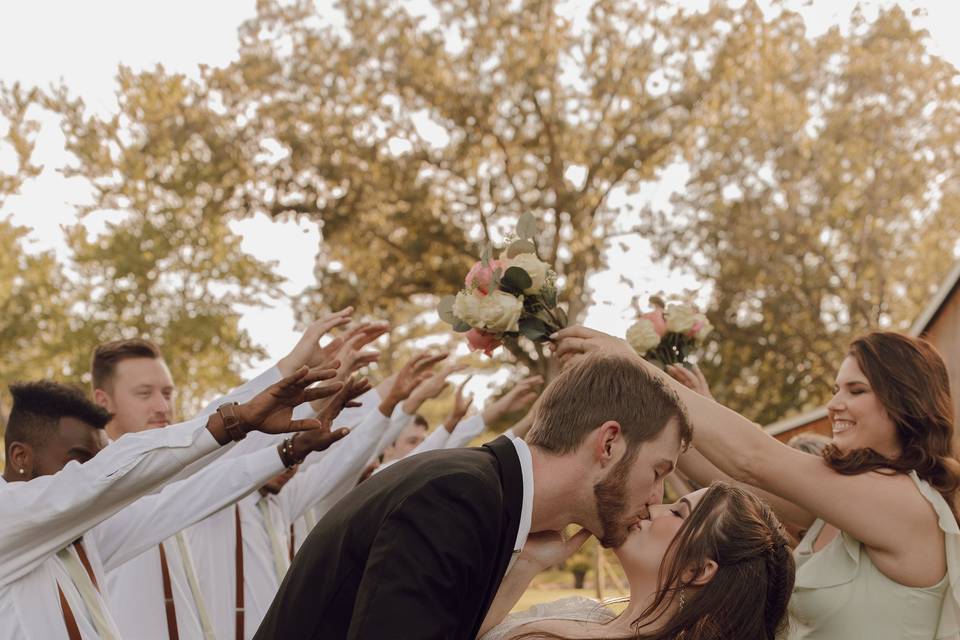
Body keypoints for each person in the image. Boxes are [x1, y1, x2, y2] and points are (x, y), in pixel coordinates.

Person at [554, 326, 960, 640]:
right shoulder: (833, 512)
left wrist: (633, 365)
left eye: (856, 390)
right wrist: (643, 399)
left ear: (905, 400)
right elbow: (717, 475)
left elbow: (753, 460)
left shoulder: (905, 504)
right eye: (836, 389)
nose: (835, 404)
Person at [255, 351, 693, 639]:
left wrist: (523, 569)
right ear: (609, 443)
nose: (657, 497)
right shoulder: (454, 500)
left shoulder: (483, 495)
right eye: (658, 472)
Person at [0, 366, 343, 640]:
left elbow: (186, 497)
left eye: (97, 458)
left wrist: (288, 450)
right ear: (20, 456)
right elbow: (102, 478)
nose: (91, 470)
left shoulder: (78, 536)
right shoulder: (7, 517)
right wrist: (231, 421)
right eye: (78, 459)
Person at [480, 482, 795, 640]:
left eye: (676, 513)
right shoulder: (588, 612)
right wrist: (529, 565)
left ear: (696, 569)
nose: (654, 508)